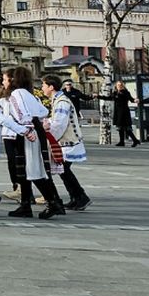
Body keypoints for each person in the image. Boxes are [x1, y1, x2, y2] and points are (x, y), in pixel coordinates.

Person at [0, 66, 67, 219]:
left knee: (32, 170)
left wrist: (26, 129)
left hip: (27, 133)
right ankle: (25, 204)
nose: (4, 83)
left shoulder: (16, 94)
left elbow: (21, 114)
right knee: (27, 170)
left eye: (5, 79)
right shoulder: (29, 94)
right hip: (35, 130)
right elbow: (43, 111)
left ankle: (52, 202)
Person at [43, 74, 91, 211]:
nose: (42, 88)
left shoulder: (62, 102)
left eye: (44, 85)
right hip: (66, 142)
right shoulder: (58, 100)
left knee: (64, 170)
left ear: (51, 87)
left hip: (68, 142)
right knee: (64, 171)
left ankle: (80, 197)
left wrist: (49, 135)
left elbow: (59, 124)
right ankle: (77, 197)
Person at [98, 80, 139, 147]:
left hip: (124, 112)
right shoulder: (115, 93)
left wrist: (135, 100)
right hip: (118, 112)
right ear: (116, 86)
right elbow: (109, 98)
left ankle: (135, 140)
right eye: (118, 85)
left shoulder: (125, 92)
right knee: (120, 128)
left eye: (120, 85)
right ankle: (122, 142)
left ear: (123, 86)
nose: (119, 86)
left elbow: (131, 99)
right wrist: (99, 96)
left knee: (127, 128)